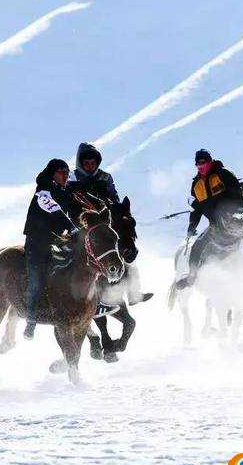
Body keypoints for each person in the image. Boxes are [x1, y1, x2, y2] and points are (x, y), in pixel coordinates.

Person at [68, 142, 152, 307]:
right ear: (80, 162)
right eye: (86, 163)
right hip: (82, 222)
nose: (90, 166)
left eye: (93, 163)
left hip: (105, 222)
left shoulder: (105, 177)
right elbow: (70, 200)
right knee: (76, 253)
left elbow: (114, 198)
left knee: (126, 250)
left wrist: (110, 207)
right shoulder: (72, 178)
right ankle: (83, 299)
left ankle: (134, 293)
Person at [22, 159, 79, 340]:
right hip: (36, 244)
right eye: (61, 172)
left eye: (67, 173)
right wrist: (70, 227)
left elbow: (74, 208)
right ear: (52, 174)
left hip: (55, 242)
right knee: (36, 282)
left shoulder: (64, 191)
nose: (65, 176)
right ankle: (30, 321)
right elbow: (54, 209)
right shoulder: (44, 191)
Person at [179, 149, 243, 287]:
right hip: (215, 226)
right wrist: (192, 227)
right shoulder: (196, 185)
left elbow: (238, 195)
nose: (201, 166)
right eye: (198, 164)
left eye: (204, 162)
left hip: (233, 221)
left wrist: (235, 212)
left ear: (210, 161)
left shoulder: (223, 174)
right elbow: (196, 209)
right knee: (197, 246)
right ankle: (192, 277)